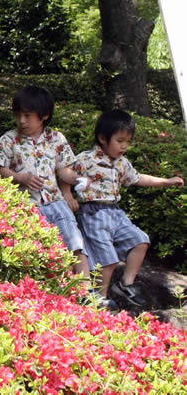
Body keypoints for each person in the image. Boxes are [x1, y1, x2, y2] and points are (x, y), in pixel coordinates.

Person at [71, 109, 184, 307]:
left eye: (127, 141)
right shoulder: (85, 160)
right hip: (93, 213)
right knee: (106, 259)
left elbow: (138, 178)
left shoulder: (122, 164)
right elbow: (65, 174)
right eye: (120, 140)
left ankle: (126, 284)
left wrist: (166, 181)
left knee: (140, 241)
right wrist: (67, 195)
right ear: (103, 138)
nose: (124, 146)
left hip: (116, 213)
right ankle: (100, 299)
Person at [0, 86, 93, 298]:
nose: (21, 121)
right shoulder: (8, 139)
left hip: (55, 201)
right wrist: (21, 177)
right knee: (45, 249)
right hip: (27, 204)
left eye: (27, 116)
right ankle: (59, 295)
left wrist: (76, 182)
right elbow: (0, 170)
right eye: (18, 115)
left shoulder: (57, 139)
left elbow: (63, 170)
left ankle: (87, 293)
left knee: (75, 243)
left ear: (44, 115)